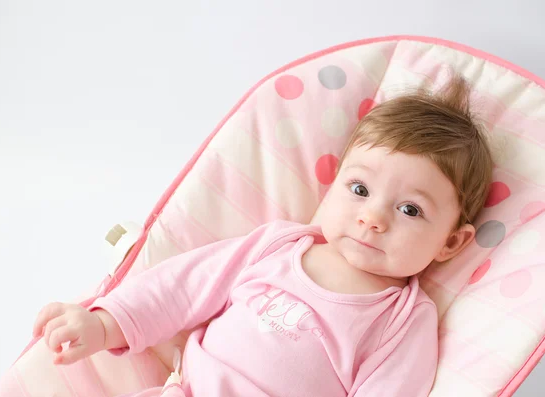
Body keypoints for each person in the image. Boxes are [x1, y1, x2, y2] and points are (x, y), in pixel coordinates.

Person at [32, 75, 493, 397]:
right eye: (359, 189)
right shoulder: (279, 245)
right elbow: (182, 286)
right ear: (332, 187)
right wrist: (103, 323)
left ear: (450, 242)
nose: (372, 217)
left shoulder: (404, 321)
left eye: (410, 209)